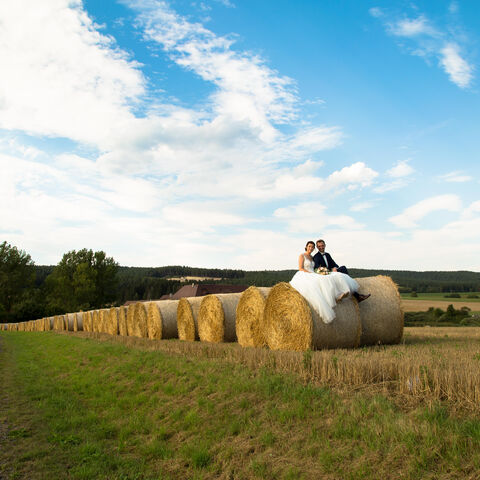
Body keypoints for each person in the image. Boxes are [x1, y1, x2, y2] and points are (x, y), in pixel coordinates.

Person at [290, 241, 369, 324]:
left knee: (342, 272)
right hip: (305, 274)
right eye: (310, 246)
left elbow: (332, 264)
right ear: (306, 247)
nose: (311, 248)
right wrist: (312, 273)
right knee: (323, 281)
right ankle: (337, 295)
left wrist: (334, 268)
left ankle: (352, 293)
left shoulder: (314, 256)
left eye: (312, 247)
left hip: (316, 272)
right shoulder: (304, 256)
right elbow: (301, 268)